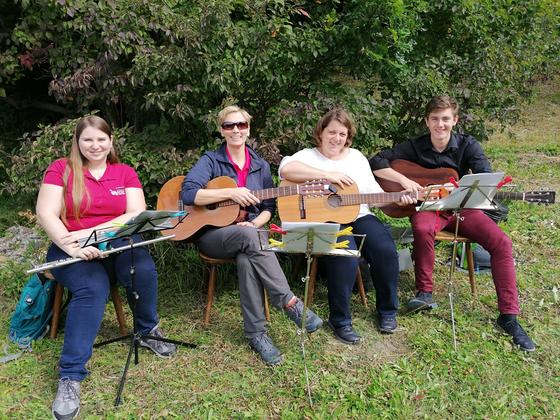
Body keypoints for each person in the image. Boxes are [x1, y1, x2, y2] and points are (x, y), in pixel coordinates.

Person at [36, 116, 176, 420]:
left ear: (111, 141)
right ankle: (70, 375)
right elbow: (45, 213)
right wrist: (73, 246)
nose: (95, 145)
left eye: (101, 139)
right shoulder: (61, 169)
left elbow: (136, 214)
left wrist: (103, 237)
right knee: (93, 287)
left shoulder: (123, 172)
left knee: (142, 269)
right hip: (70, 248)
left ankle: (148, 330)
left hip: (116, 243)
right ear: (78, 142)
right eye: (88, 139)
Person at [369, 95, 536, 352]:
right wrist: (405, 182)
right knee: (422, 227)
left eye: (445, 119)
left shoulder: (468, 145)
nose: (440, 124)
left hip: (461, 209)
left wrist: (460, 187)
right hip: (429, 209)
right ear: (427, 121)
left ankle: (509, 316)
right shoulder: (415, 146)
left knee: (501, 242)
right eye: (435, 119)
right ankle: (424, 293)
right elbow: (377, 161)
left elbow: (486, 179)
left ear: (454, 120)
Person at [181, 105, 323, 365]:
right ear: (221, 130)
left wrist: (254, 222)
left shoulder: (260, 165)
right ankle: (290, 302)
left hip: (249, 234)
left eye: (241, 125)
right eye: (229, 126)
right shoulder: (211, 160)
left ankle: (256, 334)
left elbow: (268, 209)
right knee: (253, 239)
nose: (236, 130)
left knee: (250, 250)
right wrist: (230, 193)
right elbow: (189, 194)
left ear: (248, 129)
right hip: (213, 235)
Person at [278, 108, 414, 344]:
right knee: (346, 255)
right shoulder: (308, 156)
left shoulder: (356, 157)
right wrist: (327, 175)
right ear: (321, 132)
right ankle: (340, 320)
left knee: (385, 249)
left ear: (348, 137)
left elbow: (372, 195)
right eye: (332, 132)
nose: (336, 138)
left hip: (359, 213)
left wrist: (396, 197)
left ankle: (387, 311)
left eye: (342, 134)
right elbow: (286, 169)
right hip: (325, 218)